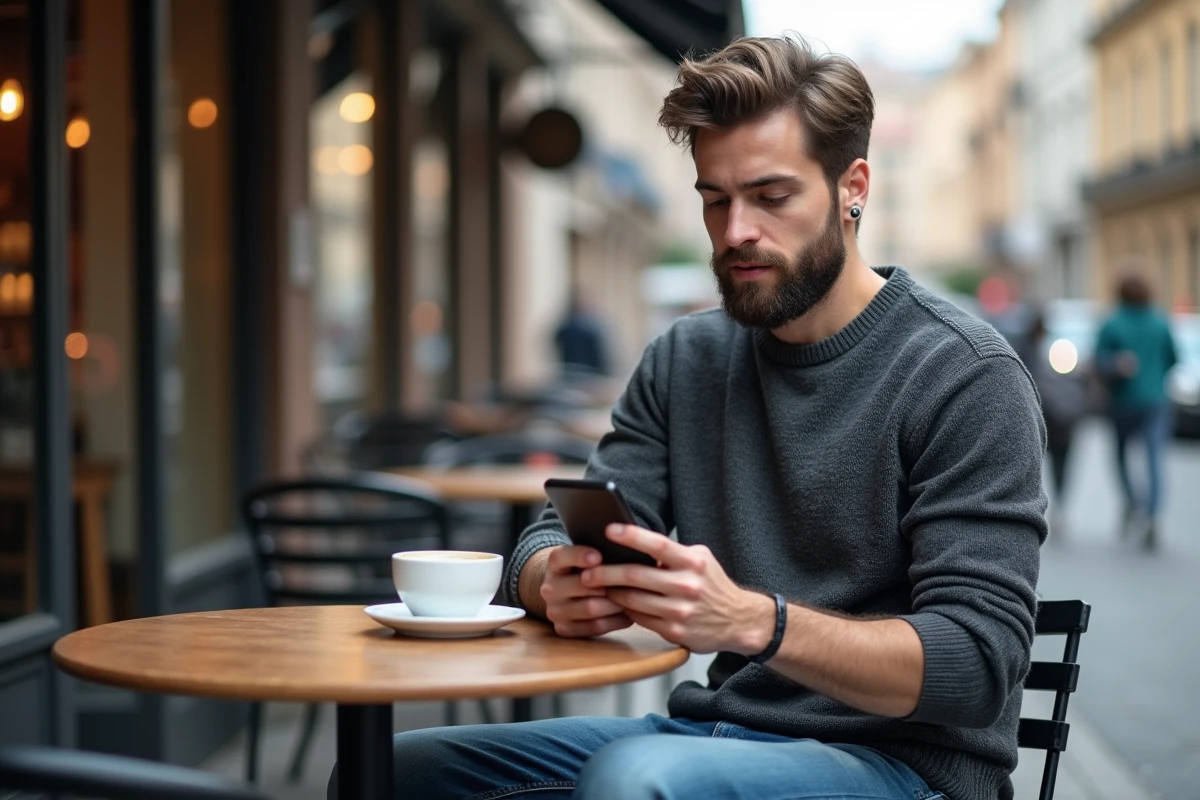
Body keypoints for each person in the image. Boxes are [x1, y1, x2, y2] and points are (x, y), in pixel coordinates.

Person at [329, 35, 1046, 800]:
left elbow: (977, 664)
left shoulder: (964, 374)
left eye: (771, 197)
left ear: (852, 186)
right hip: (713, 735)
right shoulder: (687, 359)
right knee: (391, 775)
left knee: (636, 780)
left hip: (904, 768)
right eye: (715, 199)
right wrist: (551, 580)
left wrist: (754, 623)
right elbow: (550, 532)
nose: (736, 230)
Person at [1095, 273, 1178, 550]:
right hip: (1156, 400)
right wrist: (1155, 378)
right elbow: (1174, 359)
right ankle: (1153, 515)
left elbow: (1098, 362)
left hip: (1123, 401)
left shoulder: (1112, 324)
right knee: (1154, 458)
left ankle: (1133, 502)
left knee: (1120, 455)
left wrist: (1115, 365)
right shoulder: (1160, 322)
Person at [1018, 309, 1088, 537]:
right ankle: (1056, 506)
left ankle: (1042, 507)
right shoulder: (1057, 351)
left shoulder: (1028, 352)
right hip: (1062, 420)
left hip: (1045, 417)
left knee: (1039, 465)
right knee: (1060, 465)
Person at [554, 294, 610, 378]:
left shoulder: (566, 327)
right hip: (588, 371)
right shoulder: (591, 330)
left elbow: (556, 340)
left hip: (569, 369)